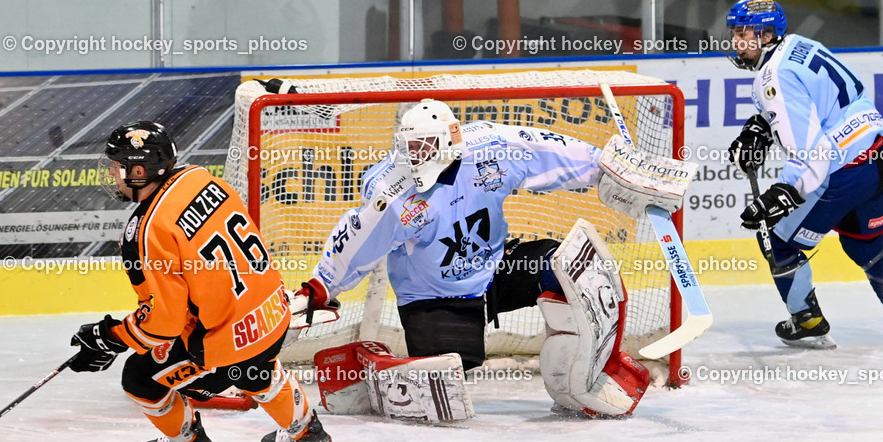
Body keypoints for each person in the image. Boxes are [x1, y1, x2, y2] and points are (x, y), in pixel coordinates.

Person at [291, 97, 691, 419]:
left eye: (424, 146)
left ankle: (583, 380)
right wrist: (320, 288)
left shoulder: (491, 149)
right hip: (434, 298)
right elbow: (357, 242)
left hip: (496, 270)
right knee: (440, 389)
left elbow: (547, 150)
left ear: (449, 140)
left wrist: (607, 167)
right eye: (409, 147)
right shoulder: (394, 194)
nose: (415, 156)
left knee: (574, 268)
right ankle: (370, 366)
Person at [68, 121, 331, 442]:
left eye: (117, 166)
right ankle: (308, 433)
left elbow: (161, 325)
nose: (111, 174)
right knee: (256, 367)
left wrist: (111, 337)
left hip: (230, 339)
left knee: (140, 377)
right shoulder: (202, 178)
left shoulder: (147, 231)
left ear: (139, 171)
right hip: (273, 311)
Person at [725, 0, 883, 349]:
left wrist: (783, 194)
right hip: (879, 153)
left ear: (766, 35)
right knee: (865, 242)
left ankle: (807, 322)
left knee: (777, 239)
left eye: (743, 33)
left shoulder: (772, 77)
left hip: (845, 169)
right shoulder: (800, 44)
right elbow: (820, 102)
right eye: (734, 32)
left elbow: (815, 155)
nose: (736, 41)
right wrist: (764, 124)